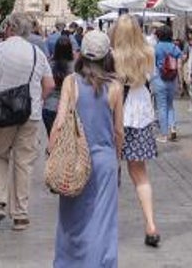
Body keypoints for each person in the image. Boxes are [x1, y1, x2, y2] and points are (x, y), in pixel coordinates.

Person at [0, 12, 54, 231]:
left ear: (9, 27)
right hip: (30, 114)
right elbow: (49, 84)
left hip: (1, 113)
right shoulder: (37, 52)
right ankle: (20, 215)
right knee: (24, 162)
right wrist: (37, 100)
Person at [52, 30, 124, 268]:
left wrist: (53, 153)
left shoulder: (71, 82)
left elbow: (60, 122)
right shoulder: (115, 86)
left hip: (75, 160)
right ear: (107, 57)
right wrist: (118, 159)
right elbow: (118, 131)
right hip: (104, 162)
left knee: (71, 221)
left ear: (81, 53)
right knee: (101, 221)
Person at [110, 15, 162, 247]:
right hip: (140, 117)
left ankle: (104, 226)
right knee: (140, 174)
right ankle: (150, 224)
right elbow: (151, 78)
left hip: (114, 116)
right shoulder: (148, 53)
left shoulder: (111, 56)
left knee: (108, 173)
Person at [152, 25, 183, 142]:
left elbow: (153, 65)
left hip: (160, 79)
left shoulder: (157, 47)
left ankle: (164, 135)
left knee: (161, 107)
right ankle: (173, 127)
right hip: (172, 80)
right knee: (170, 105)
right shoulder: (175, 48)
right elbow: (179, 66)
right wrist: (180, 82)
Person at [44, 34, 76, 136]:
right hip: (67, 108)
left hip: (49, 106)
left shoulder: (49, 65)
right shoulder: (75, 67)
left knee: (51, 139)